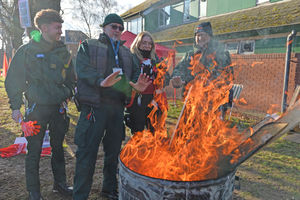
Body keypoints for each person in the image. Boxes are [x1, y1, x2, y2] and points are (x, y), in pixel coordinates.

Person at [73, 14, 150, 200]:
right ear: (104, 27)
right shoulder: (89, 46)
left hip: (116, 110)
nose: (117, 30)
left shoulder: (126, 53)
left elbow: (134, 75)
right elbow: (82, 70)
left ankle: (109, 189)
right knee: (87, 154)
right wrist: (101, 81)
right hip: (94, 108)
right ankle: (80, 195)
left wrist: (136, 87)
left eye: (120, 28)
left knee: (113, 153)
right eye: (113, 27)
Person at [5, 9, 75, 200]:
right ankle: (34, 192)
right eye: (57, 27)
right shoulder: (27, 51)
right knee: (34, 151)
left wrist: (67, 93)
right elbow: (14, 80)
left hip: (58, 109)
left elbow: (71, 78)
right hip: (36, 110)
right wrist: (15, 107)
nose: (60, 31)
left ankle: (60, 185)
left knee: (58, 148)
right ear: (44, 28)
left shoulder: (63, 51)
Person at [171, 22, 233, 117]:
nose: (199, 38)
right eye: (197, 35)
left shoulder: (221, 55)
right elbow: (179, 69)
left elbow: (227, 78)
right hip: (192, 103)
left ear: (210, 36)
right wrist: (178, 78)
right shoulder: (190, 56)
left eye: (202, 35)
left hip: (214, 105)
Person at [125, 31, 164, 134]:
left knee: (155, 130)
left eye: (150, 43)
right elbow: (127, 78)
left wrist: (162, 78)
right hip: (137, 99)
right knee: (138, 132)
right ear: (138, 43)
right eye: (144, 43)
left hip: (153, 98)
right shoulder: (131, 58)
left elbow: (166, 75)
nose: (147, 46)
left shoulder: (156, 59)